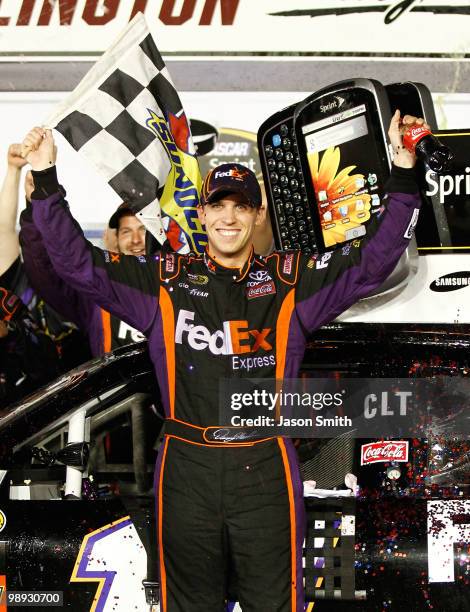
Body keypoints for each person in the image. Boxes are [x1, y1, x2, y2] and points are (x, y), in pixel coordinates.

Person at [23, 110, 422, 611]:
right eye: (219, 206)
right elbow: (75, 263)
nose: (229, 217)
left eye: (242, 206)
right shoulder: (163, 280)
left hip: (266, 467)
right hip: (187, 464)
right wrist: (44, 177)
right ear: (203, 215)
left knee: (275, 605)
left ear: (258, 216)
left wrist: (405, 171)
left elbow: (373, 263)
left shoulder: (289, 282)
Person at [20, 199, 146, 355]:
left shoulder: (178, 282)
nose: (136, 240)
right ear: (117, 239)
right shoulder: (97, 287)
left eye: (143, 229)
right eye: (126, 231)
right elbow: (46, 275)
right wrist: (36, 206)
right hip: (117, 379)